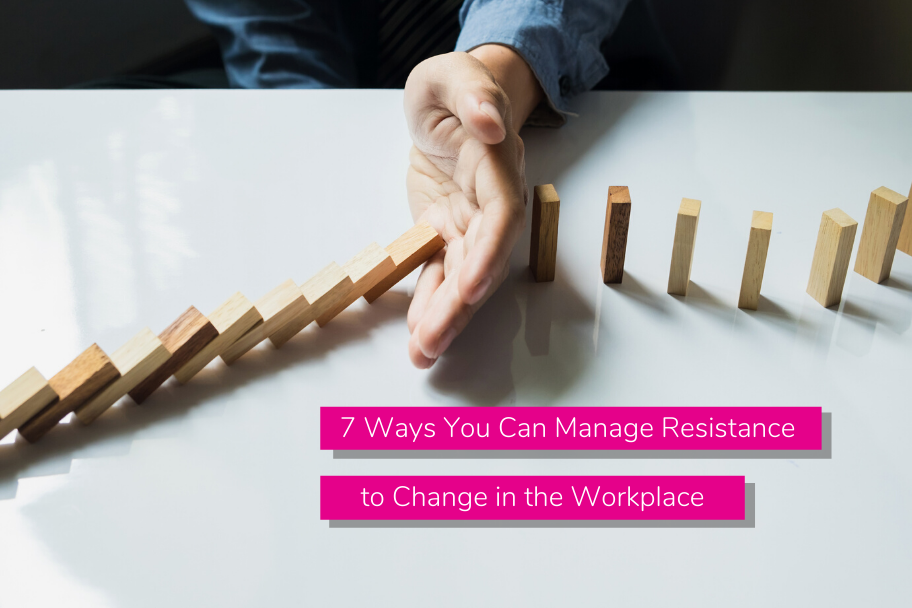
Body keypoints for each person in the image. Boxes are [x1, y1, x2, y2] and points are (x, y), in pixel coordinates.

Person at [184, 0, 632, 368]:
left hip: (596, 81)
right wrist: (321, 150)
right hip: (358, 103)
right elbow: (277, 47)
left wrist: (493, 69)